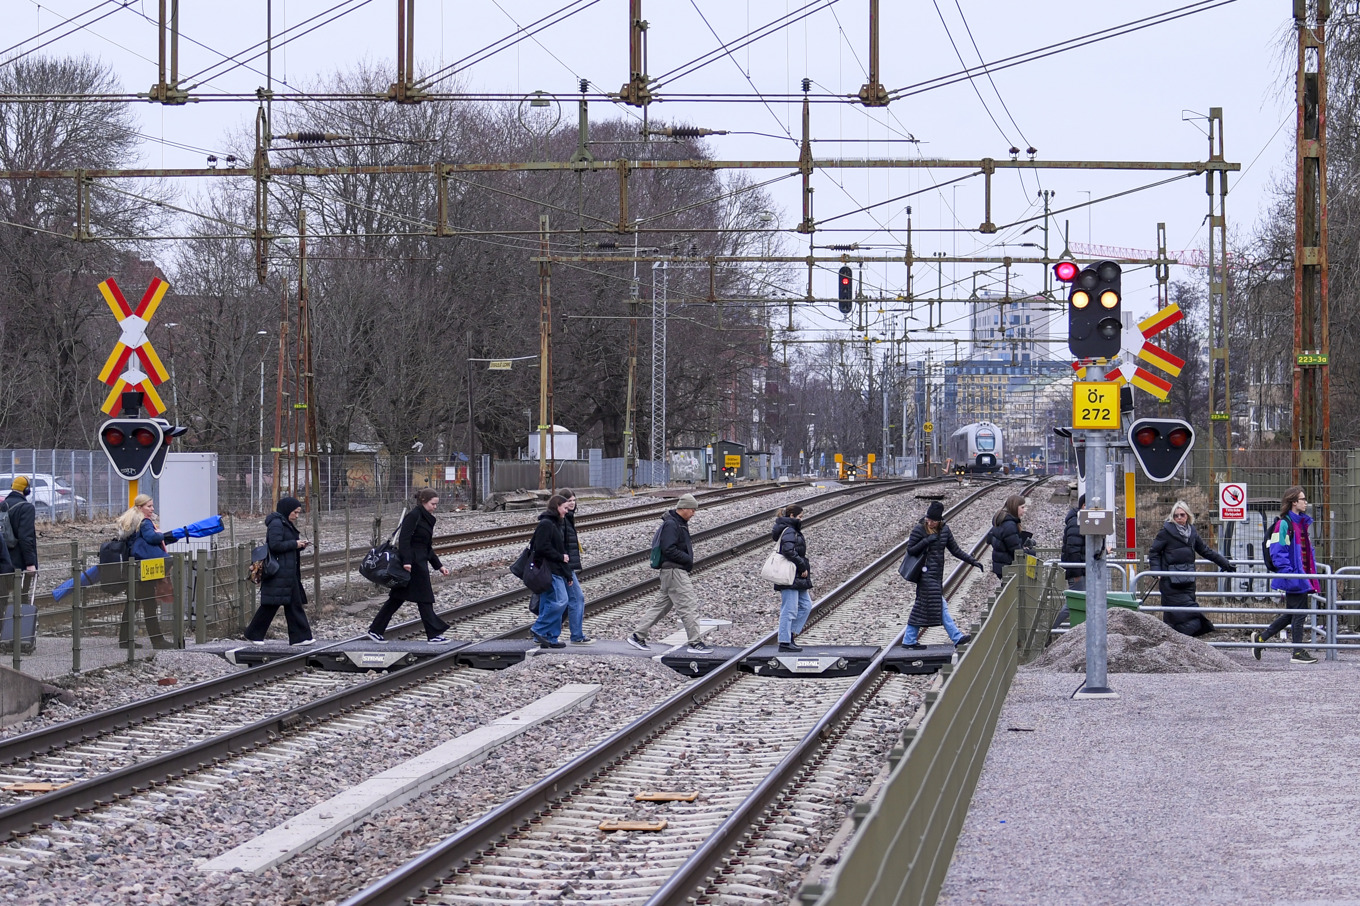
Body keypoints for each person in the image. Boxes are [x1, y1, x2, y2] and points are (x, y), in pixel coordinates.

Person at [367, 489, 452, 643]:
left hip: (419, 562)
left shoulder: (426, 518)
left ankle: (375, 630)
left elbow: (427, 546)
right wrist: (406, 562)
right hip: (413, 565)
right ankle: (433, 634)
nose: (435, 507)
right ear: (423, 501)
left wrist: (439, 565)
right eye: (433, 504)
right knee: (424, 598)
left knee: (397, 598)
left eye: (436, 504)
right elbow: (404, 540)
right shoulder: (414, 516)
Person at [628, 493, 709, 654]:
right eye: (692, 510)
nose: (693, 513)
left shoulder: (677, 523)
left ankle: (638, 636)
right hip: (674, 571)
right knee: (689, 604)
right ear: (684, 508)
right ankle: (695, 642)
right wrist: (687, 559)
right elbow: (669, 548)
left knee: (661, 606)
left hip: (671, 572)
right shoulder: (672, 525)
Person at [901, 499, 984, 648]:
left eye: (933, 520)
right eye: (928, 519)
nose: (930, 522)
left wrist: (972, 561)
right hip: (924, 574)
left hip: (936, 575)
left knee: (923, 606)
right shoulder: (919, 529)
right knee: (940, 605)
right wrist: (926, 541)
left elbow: (955, 550)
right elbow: (911, 550)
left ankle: (909, 640)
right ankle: (956, 637)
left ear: (939, 520)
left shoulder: (945, 530)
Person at [1147, 500, 1234, 638]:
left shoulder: (1192, 532)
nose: (1179, 518)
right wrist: (1157, 572)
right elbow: (1154, 552)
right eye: (1176, 515)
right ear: (1172, 517)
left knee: (1182, 613)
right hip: (1170, 581)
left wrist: (1224, 563)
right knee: (1178, 613)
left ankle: (1178, 642)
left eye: (1182, 515)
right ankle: (1175, 641)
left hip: (1187, 580)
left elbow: (1205, 551)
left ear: (1187, 515)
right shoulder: (1166, 532)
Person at [1253, 487, 1320, 664]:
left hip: (1301, 575)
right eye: (1302, 499)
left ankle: (1261, 639)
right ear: (1293, 502)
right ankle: (1297, 652)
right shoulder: (1284, 524)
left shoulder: (1301, 523)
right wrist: (1290, 574)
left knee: (1292, 613)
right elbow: (1278, 551)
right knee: (1299, 613)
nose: (1305, 502)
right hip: (1294, 576)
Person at [245, 496, 316, 646]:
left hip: (287, 572)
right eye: (295, 512)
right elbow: (275, 545)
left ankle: (301, 638)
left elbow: (285, 546)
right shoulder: (277, 523)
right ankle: (254, 634)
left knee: (293, 605)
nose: (297, 516)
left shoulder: (284, 522)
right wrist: (295, 544)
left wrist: (299, 545)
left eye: (298, 513)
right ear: (287, 510)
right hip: (279, 572)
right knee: (271, 605)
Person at [114, 494, 174, 649]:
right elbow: (151, 538)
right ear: (140, 507)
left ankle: (124, 640)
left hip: (131, 568)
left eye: (152, 506)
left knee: (132, 605)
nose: (152, 509)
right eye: (149, 506)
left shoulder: (130, 521)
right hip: (144, 570)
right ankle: (157, 641)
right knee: (149, 605)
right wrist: (162, 534)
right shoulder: (145, 522)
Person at [527, 494, 573, 649]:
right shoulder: (547, 524)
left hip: (555, 569)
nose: (567, 511)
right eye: (565, 508)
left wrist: (567, 573)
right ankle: (539, 629)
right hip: (550, 570)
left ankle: (550, 637)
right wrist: (561, 557)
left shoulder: (554, 523)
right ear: (557, 506)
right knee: (561, 601)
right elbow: (541, 547)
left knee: (547, 603)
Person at [771, 504, 813, 653]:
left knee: (806, 605)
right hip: (789, 574)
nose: (801, 519)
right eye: (800, 517)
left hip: (796, 575)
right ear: (792, 516)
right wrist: (802, 566)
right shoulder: (789, 530)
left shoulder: (791, 529)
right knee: (789, 609)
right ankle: (784, 641)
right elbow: (788, 551)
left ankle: (790, 635)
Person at [558, 489, 594, 646]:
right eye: (568, 500)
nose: (572, 503)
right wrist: (567, 569)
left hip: (565, 566)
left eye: (573, 500)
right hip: (564, 567)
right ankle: (576, 635)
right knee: (575, 599)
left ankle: (543, 632)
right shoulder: (563, 520)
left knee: (560, 601)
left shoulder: (568, 518)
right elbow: (562, 546)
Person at [988, 495, 1034, 580]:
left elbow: (990, 539)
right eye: (1022, 507)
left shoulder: (1001, 519)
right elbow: (1016, 551)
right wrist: (1031, 552)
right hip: (1008, 566)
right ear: (1015, 507)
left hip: (1001, 565)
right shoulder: (1010, 525)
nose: (1024, 511)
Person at [4, 476, 37, 585]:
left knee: (3, 598)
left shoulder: (2, 505)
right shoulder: (26, 508)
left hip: (3, 560)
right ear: (26, 490)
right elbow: (25, 537)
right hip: (20, 563)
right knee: (21, 597)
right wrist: (30, 563)